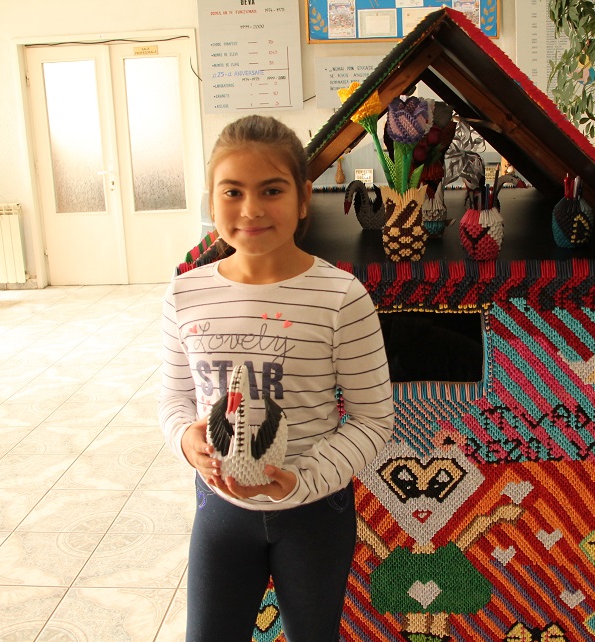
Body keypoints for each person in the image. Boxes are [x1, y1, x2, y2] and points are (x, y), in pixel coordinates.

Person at [158, 115, 395, 641]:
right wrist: (186, 440)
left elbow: (374, 418)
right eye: (232, 192)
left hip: (315, 513)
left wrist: (304, 480)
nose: (251, 209)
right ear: (211, 200)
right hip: (221, 511)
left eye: (271, 190)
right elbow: (174, 400)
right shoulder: (184, 295)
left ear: (303, 197)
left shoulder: (342, 298)